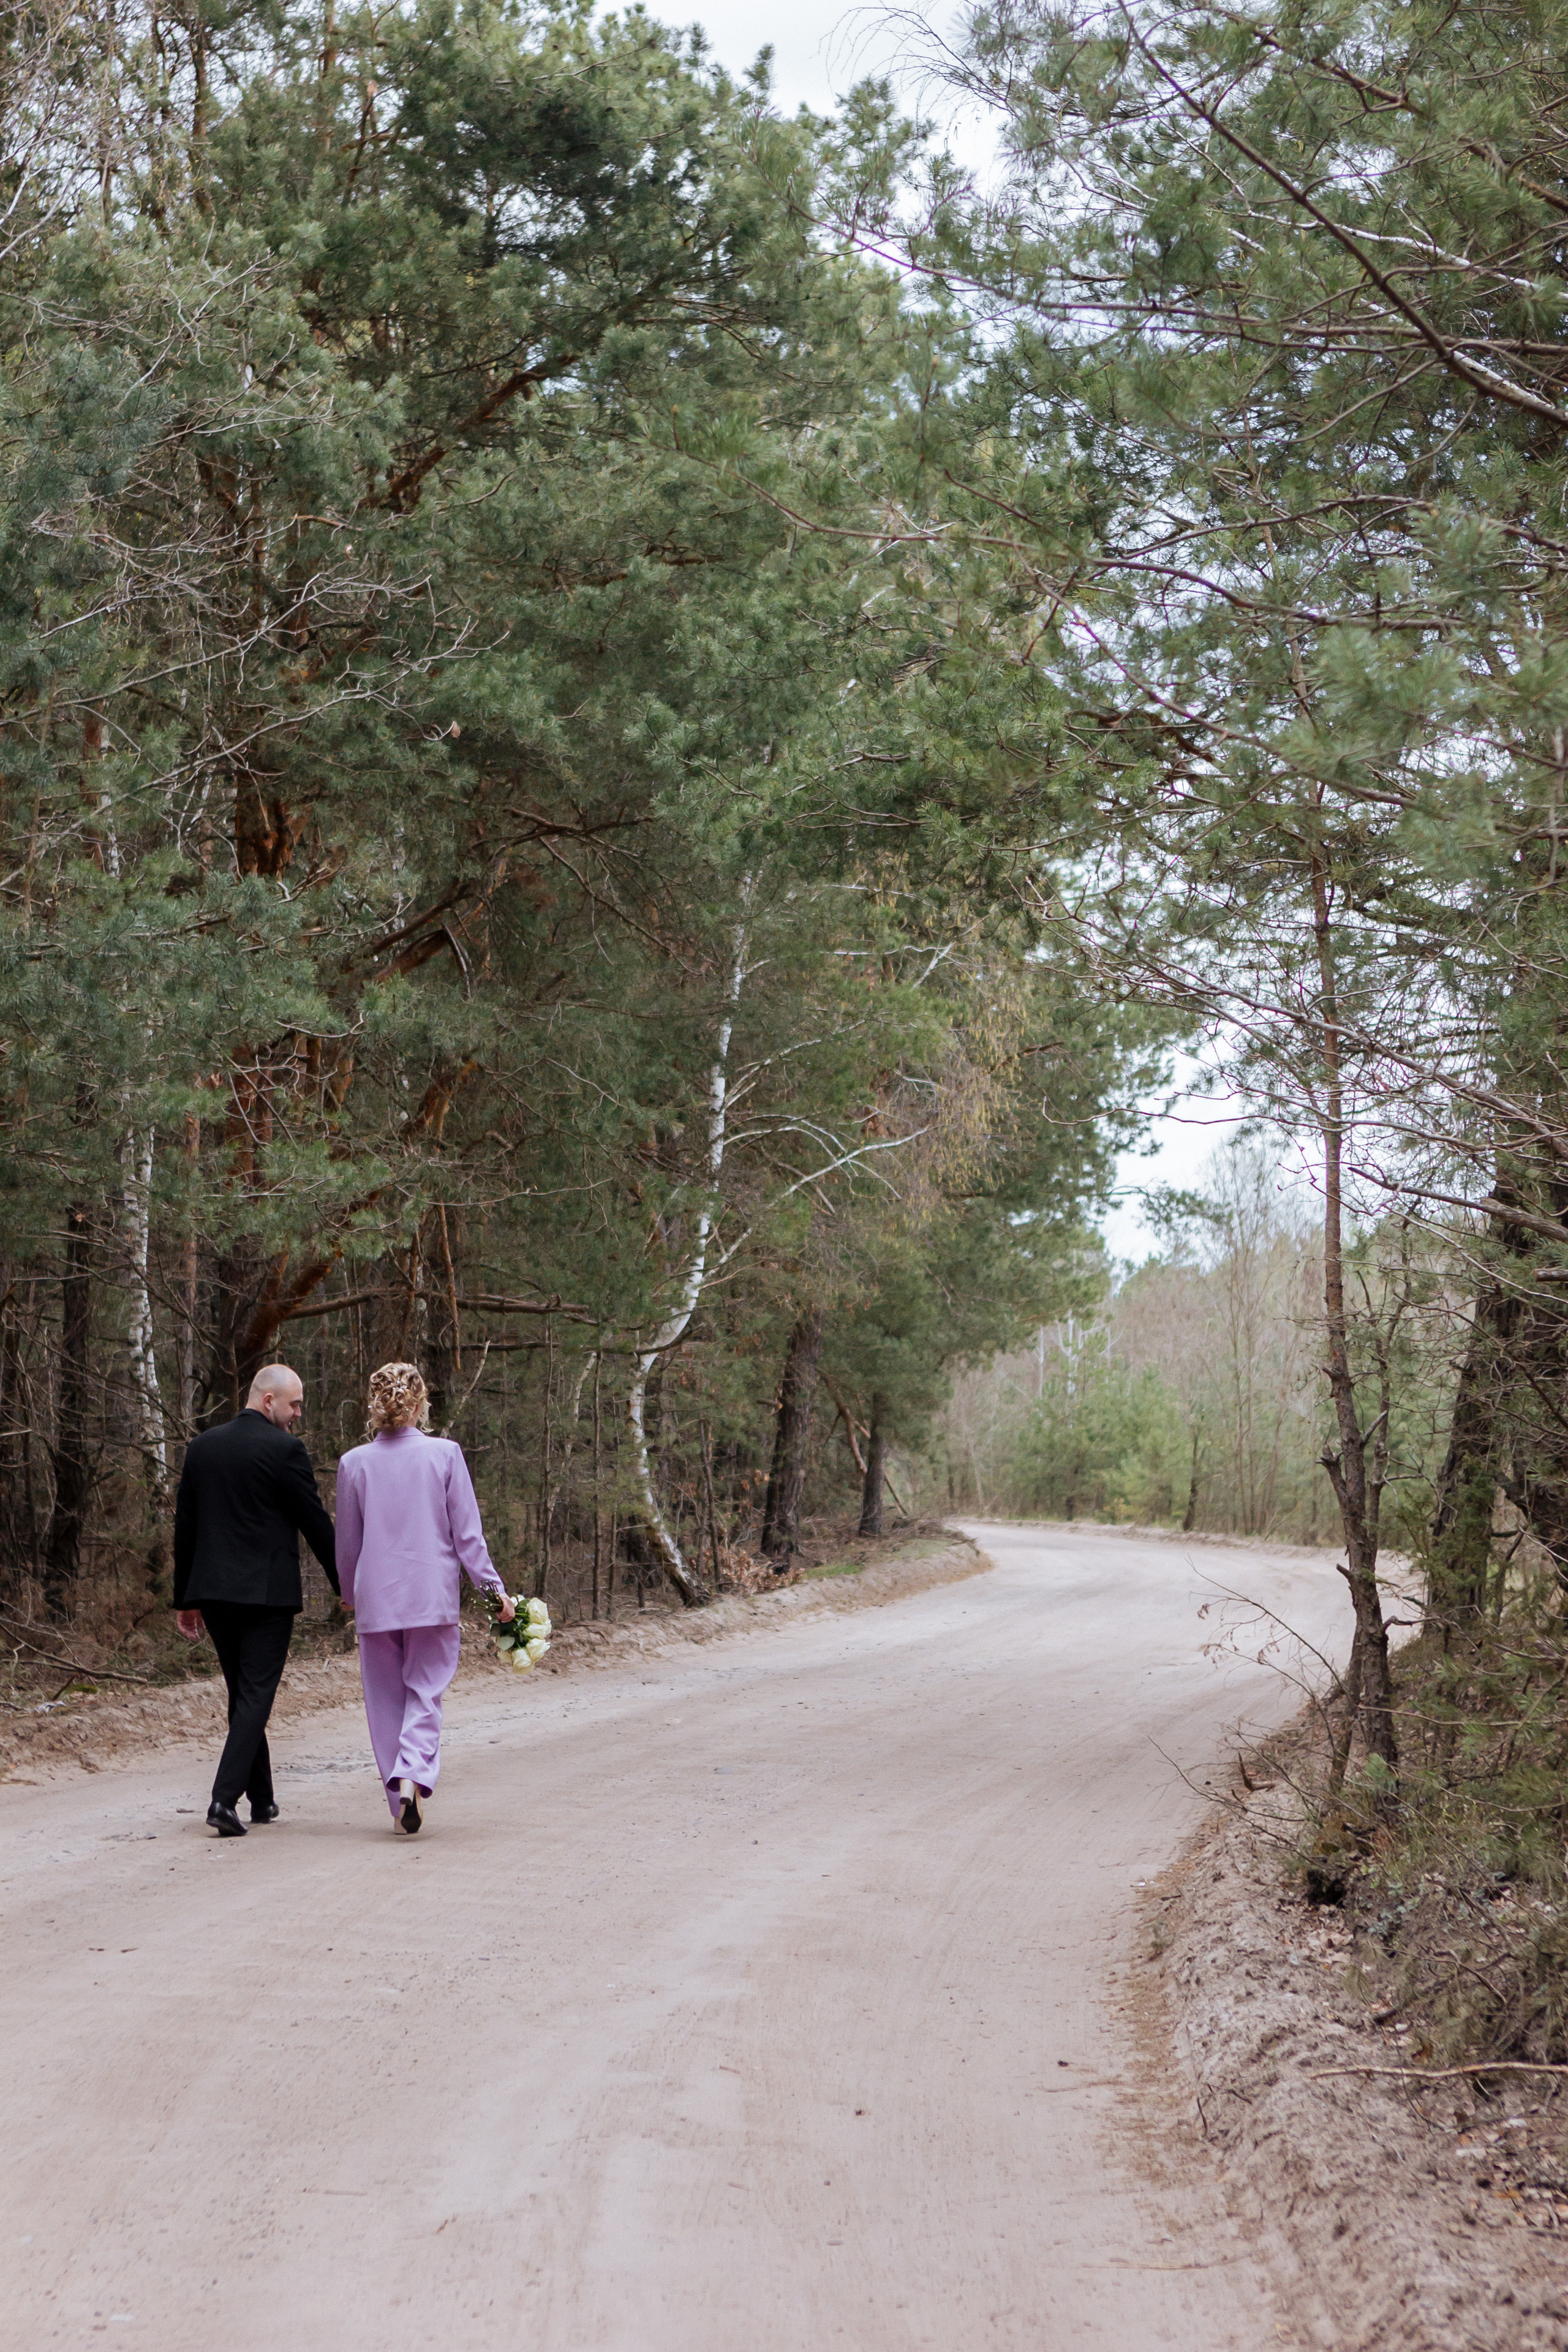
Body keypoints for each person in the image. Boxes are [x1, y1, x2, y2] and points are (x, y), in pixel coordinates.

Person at [334, 1361, 514, 1834]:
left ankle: (399, 1804)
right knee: (426, 1691)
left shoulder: (354, 1464)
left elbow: (348, 1543)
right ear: (420, 1404)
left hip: (376, 1598)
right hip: (431, 1596)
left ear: (373, 1406)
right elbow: (468, 1537)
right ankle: (413, 1771)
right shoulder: (446, 1455)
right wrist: (494, 1593)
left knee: (385, 1701)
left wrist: (349, 1592)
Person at [173, 1363, 339, 1838]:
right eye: (294, 1404)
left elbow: (185, 1529)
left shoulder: (202, 1448)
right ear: (268, 1401)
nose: (298, 1414)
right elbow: (315, 1522)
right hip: (267, 1597)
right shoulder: (285, 1450)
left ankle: (262, 1800)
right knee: (255, 1696)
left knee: (243, 1695)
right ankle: (223, 1800)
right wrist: (346, 1585)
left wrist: (186, 1598)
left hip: (216, 1594)